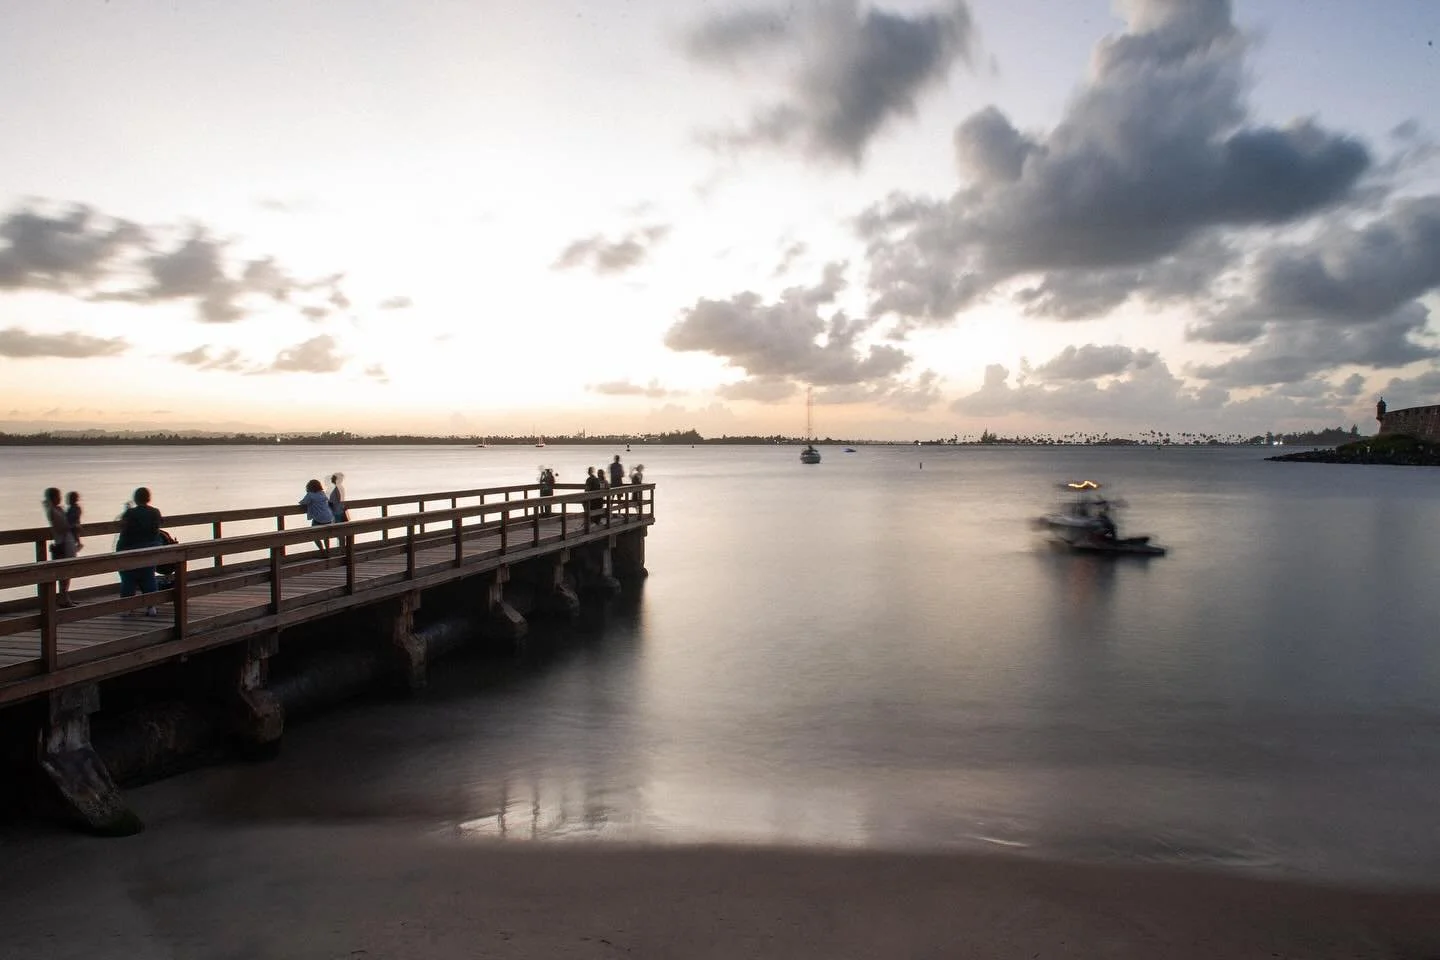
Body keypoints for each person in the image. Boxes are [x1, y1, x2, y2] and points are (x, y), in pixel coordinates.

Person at [117, 487, 163, 616]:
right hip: (150, 549)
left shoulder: (130, 513)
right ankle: (151, 607)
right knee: (148, 576)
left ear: (135, 499)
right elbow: (159, 524)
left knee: (128, 577)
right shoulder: (155, 512)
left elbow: (122, 526)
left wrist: (126, 511)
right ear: (148, 498)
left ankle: (127, 607)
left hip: (130, 549)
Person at [42, 488, 77, 607]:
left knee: (68, 572)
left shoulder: (59, 509)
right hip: (62, 544)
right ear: (53, 498)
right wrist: (74, 527)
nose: (60, 498)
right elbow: (62, 527)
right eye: (58, 496)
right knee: (63, 573)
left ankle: (65, 597)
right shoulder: (52, 511)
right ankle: (63, 598)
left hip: (68, 542)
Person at [300, 479, 335, 557]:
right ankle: (328, 551)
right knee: (326, 536)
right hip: (328, 517)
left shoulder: (310, 495)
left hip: (319, 518)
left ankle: (322, 551)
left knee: (314, 536)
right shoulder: (322, 493)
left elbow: (303, 502)